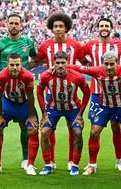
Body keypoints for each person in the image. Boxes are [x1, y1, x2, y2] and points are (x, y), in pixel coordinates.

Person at [69, 51, 121, 177]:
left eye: (111, 64)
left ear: (117, 63)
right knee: (93, 133)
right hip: (104, 107)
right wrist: (61, 66)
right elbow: (78, 67)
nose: (108, 67)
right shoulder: (97, 71)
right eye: (106, 64)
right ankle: (92, 165)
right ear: (102, 64)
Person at [33, 13, 89, 170]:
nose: (58, 29)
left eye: (61, 26)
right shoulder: (45, 46)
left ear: (66, 28)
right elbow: (36, 61)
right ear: (52, 28)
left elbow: (85, 63)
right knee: (49, 129)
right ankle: (51, 161)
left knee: (74, 130)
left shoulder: (76, 46)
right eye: (55, 26)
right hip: (52, 91)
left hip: (71, 90)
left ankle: (72, 161)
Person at [0, 13, 39, 169]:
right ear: (6, 24)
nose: (13, 26)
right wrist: (0, 80)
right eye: (11, 23)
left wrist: (25, 71)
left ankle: (26, 159)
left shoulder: (28, 42)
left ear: (21, 25)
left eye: (16, 23)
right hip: (5, 92)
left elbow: (36, 59)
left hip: (24, 92)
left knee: (27, 126)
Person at [82, 18, 121, 171]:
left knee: (116, 127)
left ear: (111, 28)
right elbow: (81, 58)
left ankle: (119, 160)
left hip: (115, 93)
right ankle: (92, 163)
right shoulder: (90, 45)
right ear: (98, 27)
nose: (104, 28)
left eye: (106, 26)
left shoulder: (120, 45)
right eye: (101, 25)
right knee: (95, 129)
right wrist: (90, 66)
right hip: (97, 93)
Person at [37, 51, 90, 176]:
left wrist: (80, 114)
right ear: (53, 63)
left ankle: (75, 165)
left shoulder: (77, 77)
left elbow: (87, 93)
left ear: (67, 63)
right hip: (53, 109)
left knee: (77, 132)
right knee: (44, 132)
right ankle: (48, 165)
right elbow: (39, 92)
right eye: (57, 63)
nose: (60, 65)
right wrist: (44, 114)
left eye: (63, 62)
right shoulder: (46, 76)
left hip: (73, 109)